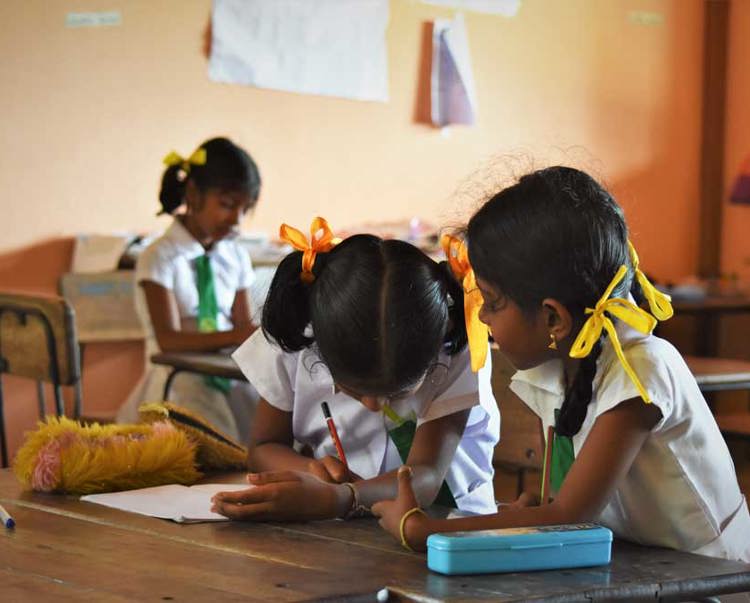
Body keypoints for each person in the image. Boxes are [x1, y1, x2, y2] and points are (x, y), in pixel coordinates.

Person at [372, 166, 750, 561]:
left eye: (492, 301)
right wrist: (531, 510)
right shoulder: (557, 367)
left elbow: (569, 515)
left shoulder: (638, 370)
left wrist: (424, 529)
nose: (482, 317)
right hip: (635, 565)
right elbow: (566, 506)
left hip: (712, 575)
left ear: (553, 318)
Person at [210, 217, 500, 521]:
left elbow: (426, 475)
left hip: (452, 525)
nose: (374, 406)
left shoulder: (458, 345)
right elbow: (263, 447)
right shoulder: (296, 335)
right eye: (354, 390)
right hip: (344, 534)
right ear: (319, 347)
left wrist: (340, 498)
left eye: (398, 393)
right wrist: (310, 471)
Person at [116, 137, 261, 443]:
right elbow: (168, 341)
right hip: (176, 375)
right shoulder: (159, 257)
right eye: (226, 204)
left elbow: (243, 328)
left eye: (244, 208)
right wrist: (236, 336)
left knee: (269, 407)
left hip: (224, 372)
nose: (236, 219)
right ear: (194, 194)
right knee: (205, 415)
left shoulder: (235, 256)